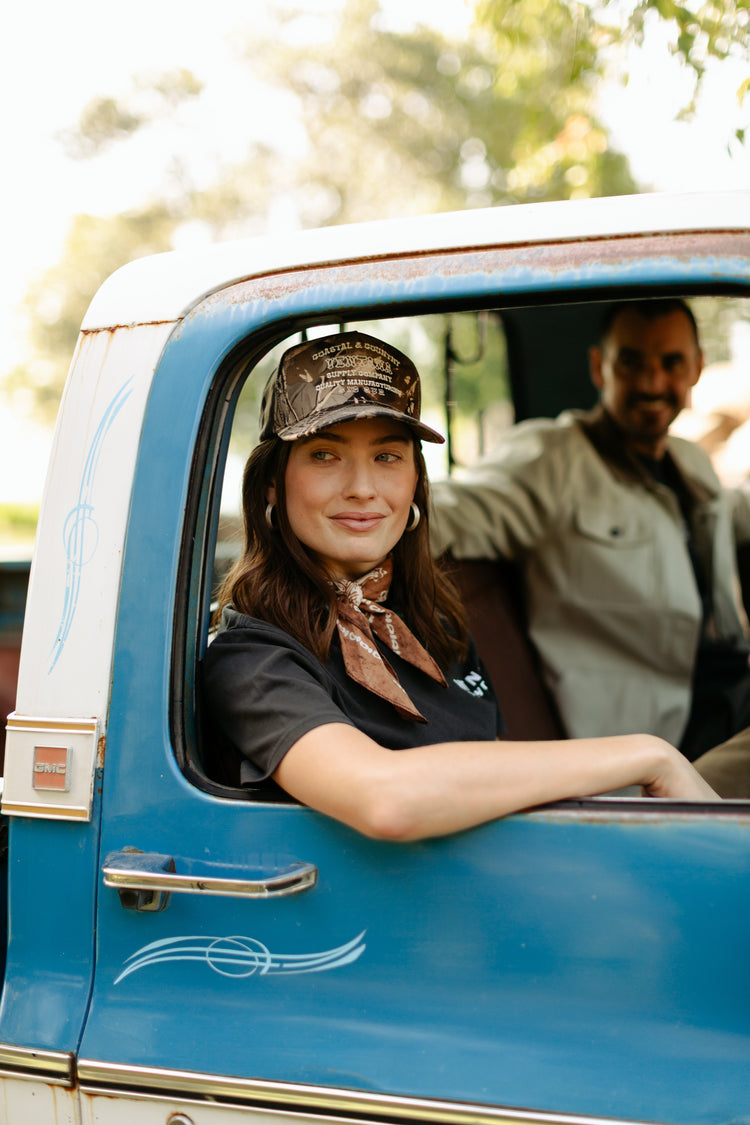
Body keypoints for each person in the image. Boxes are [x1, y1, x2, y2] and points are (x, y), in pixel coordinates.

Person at [201, 330, 716, 841]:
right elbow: (387, 800)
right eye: (324, 455)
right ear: (272, 482)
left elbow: (497, 763)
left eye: (387, 457)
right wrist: (649, 757)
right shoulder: (252, 657)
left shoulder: (430, 622)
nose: (362, 488)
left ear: (415, 485)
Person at [430, 299, 750, 762]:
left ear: (697, 368)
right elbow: (453, 508)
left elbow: (732, 512)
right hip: (658, 747)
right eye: (632, 362)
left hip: (727, 696)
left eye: (672, 362)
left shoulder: (689, 462)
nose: (652, 382)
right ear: (599, 368)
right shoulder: (551, 461)